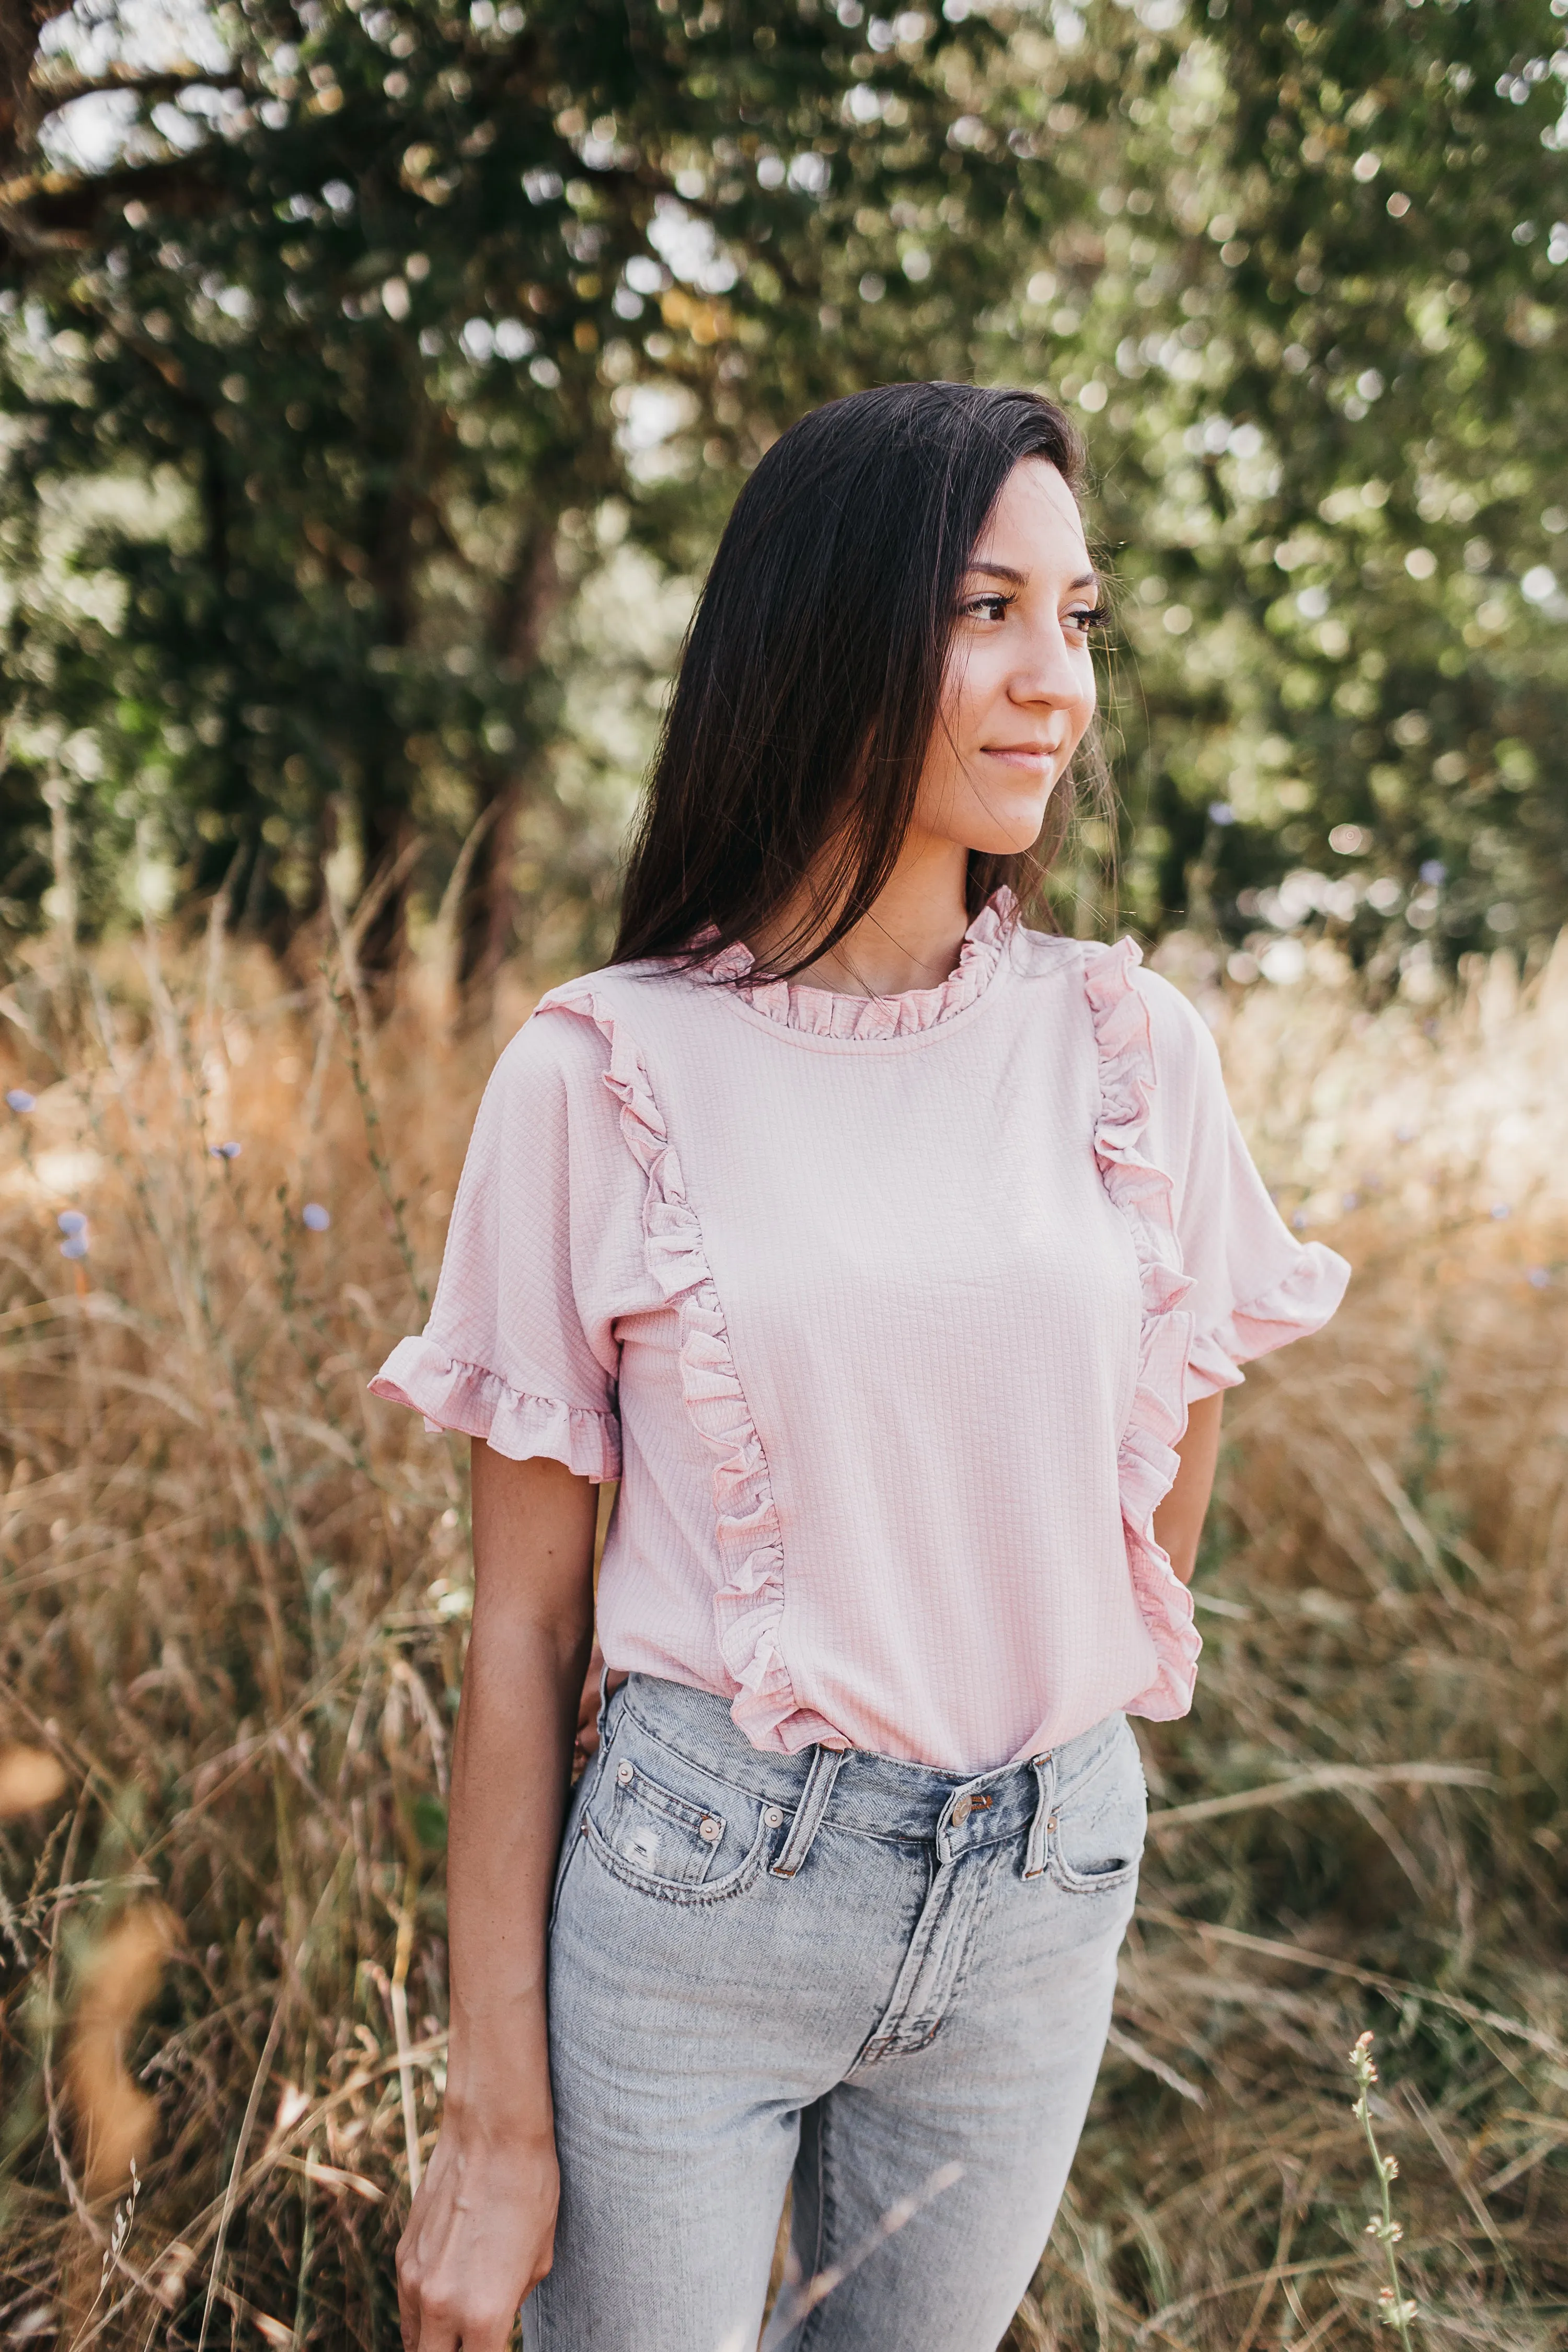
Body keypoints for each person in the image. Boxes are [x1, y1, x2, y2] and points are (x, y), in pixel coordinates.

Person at [373, 380, 1349, 2352]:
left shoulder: (1131, 1043)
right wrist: (493, 2114)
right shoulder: (604, 1072)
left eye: (1078, 619)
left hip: (1040, 1888)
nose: (1050, 680)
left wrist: (1041, 1725)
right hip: (706, 1891)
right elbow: (518, 1631)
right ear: (827, 629)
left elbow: (1177, 1453)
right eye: (984, 608)